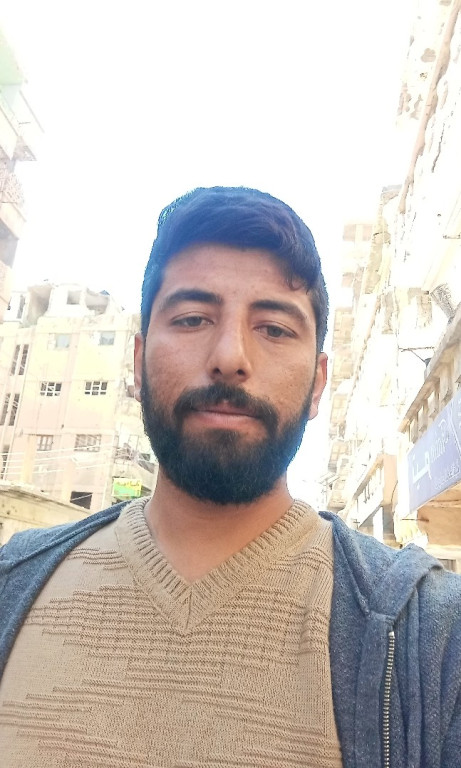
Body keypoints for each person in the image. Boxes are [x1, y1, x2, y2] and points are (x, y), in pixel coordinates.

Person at [0, 186, 460, 768]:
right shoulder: (14, 585)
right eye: (192, 319)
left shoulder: (430, 638)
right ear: (137, 363)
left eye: (274, 329)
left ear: (318, 384)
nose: (230, 357)